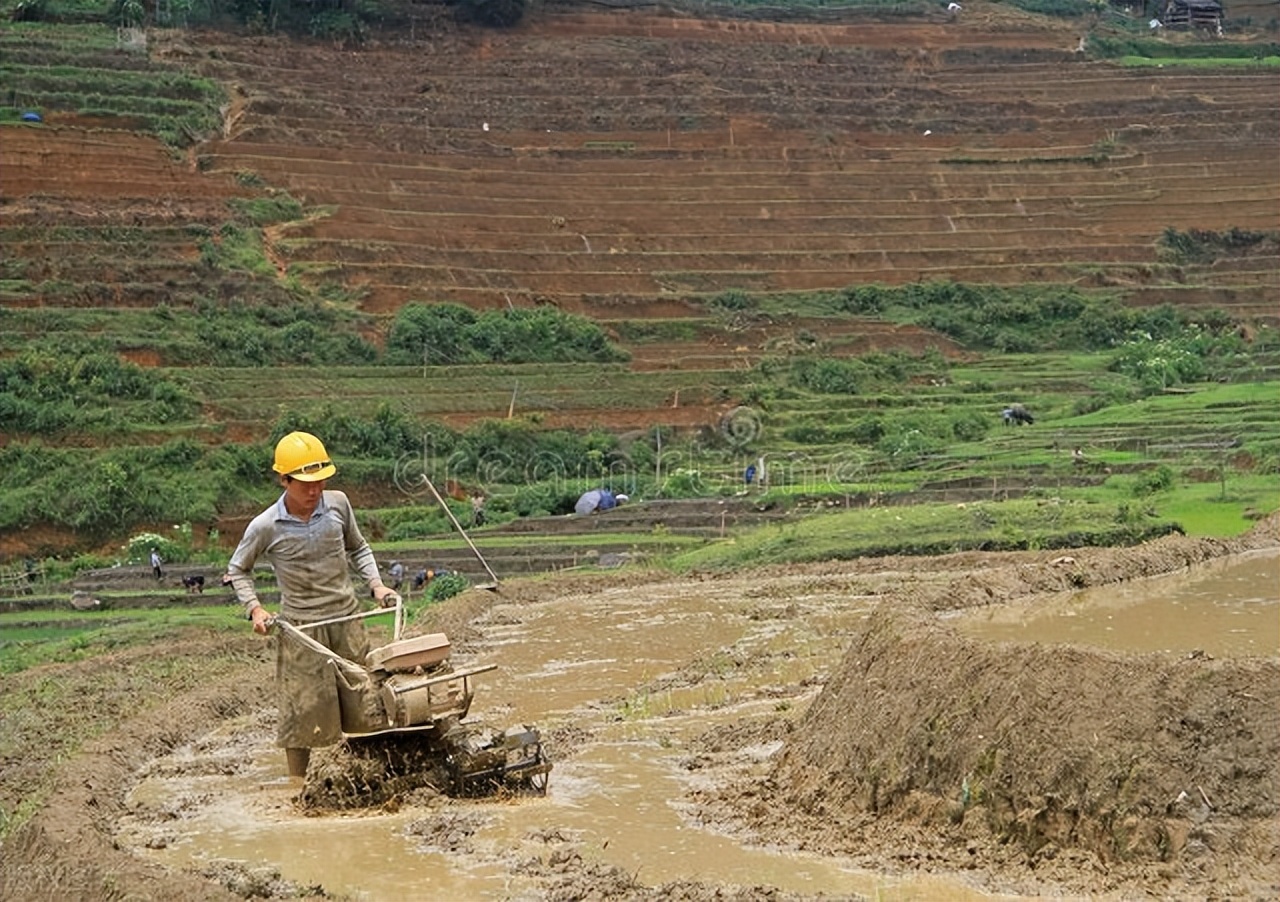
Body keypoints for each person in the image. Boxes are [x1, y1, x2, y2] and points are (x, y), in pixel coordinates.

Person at [226, 431, 398, 780]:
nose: (314, 490)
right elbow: (237, 570)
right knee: (302, 715)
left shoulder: (338, 505)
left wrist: (377, 585)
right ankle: (297, 786)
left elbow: (358, 547)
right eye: (306, 484)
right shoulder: (266, 525)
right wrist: (256, 609)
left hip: (348, 621)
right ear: (284, 480)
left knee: (368, 703)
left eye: (320, 481)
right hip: (302, 631)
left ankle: (376, 776)